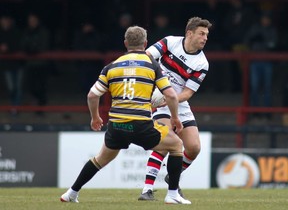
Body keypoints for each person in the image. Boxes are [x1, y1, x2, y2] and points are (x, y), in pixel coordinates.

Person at [60, 26, 191, 205]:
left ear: (125, 43)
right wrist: (175, 117)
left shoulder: (111, 66)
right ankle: (173, 194)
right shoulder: (152, 64)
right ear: (145, 44)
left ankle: (71, 193)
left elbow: (92, 95)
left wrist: (95, 117)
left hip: (117, 126)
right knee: (176, 145)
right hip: (141, 126)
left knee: (100, 159)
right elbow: (170, 95)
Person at [138, 17, 212, 201]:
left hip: (178, 103)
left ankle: (173, 175)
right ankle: (147, 190)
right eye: (202, 34)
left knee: (194, 148)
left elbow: (187, 93)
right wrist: (154, 85)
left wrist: (169, 100)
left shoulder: (202, 63)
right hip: (158, 99)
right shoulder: (170, 42)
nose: (205, 38)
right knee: (167, 140)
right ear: (189, 33)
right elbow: (146, 57)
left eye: (207, 35)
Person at [244, 12, 277, 119]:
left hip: (267, 61)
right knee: (255, 87)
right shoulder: (255, 29)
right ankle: (255, 111)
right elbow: (247, 41)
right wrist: (255, 39)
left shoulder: (272, 30)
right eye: (264, 18)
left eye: (267, 19)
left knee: (267, 87)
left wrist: (265, 41)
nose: (265, 21)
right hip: (255, 61)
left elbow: (274, 44)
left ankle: (267, 111)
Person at [20, 13, 50, 112]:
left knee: (41, 86)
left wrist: (32, 49)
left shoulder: (43, 32)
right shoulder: (26, 32)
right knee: (31, 86)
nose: (31, 22)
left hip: (41, 63)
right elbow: (23, 44)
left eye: (33, 20)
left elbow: (43, 45)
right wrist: (28, 49)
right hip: (30, 64)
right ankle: (36, 104)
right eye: (30, 20)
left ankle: (41, 107)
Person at [0, 14, 23, 114]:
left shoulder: (16, 32)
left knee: (18, 87)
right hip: (7, 65)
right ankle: (14, 104)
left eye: (6, 20)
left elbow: (19, 45)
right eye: (3, 20)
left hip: (18, 64)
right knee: (11, 88)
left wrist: (8, 48)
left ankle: (15, 107)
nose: (4, 22)